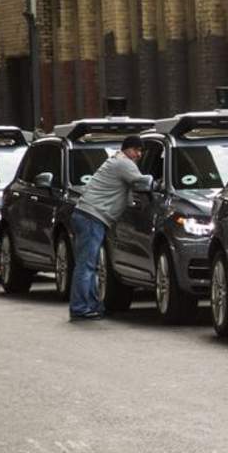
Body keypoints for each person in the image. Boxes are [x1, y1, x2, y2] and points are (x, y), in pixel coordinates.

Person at [68, 135, 154, 321]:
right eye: (136, 150)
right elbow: (142, 182)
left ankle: (91, 306)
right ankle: (80, 308)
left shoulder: (116, 161)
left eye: (141, 151)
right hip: (92, 217)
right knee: (87, 266)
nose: (139, 154)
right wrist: (156, 183)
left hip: (86, 215)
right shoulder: (124, 164)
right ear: (127, 149)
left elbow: (127, 194)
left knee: (89, 265)